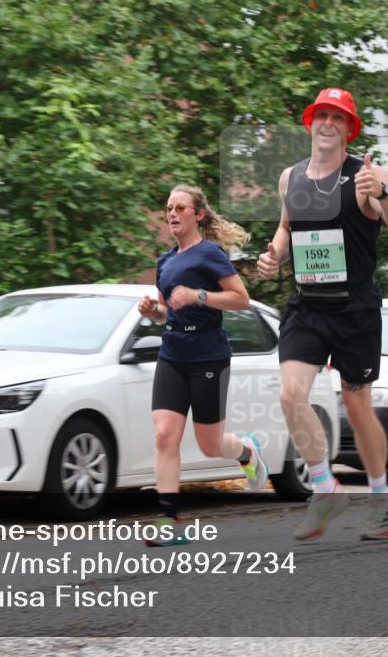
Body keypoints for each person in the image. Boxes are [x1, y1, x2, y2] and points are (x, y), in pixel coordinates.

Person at [257, 88, 388, 541]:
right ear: (311, 122)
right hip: (307, 305)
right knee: (290, 395)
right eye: (321, 115)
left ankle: (380, 502)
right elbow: (286, 228)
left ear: (349, 129)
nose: (328, 122)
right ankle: (325, 488)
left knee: (357, 407)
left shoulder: (367, 174)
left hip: (354, 309)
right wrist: (275, 255)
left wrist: (384, 194)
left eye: (338, 117)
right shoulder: (290, 178)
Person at [138, 184, 267, 546]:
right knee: (164, 435)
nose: (172, 214)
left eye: (180, 207)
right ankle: (169, 521)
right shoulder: (164, 262)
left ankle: (246, 451)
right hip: (172, 354)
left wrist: (199, 295)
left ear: (198, 214)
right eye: (169, 208)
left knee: (210, 445)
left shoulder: (210, 253)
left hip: (208, 354)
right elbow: (168, 312)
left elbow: (241, 300)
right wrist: (153, 312)